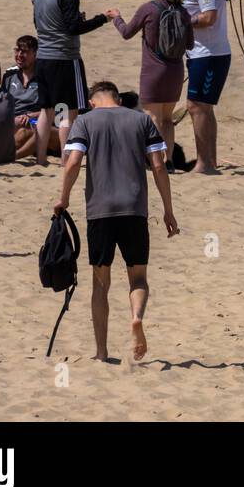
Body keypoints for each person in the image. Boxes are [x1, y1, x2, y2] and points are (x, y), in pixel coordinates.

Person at [56, 81, 179, 362]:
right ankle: (136, 317)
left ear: (92, 101)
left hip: (100, 211)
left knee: (101, 284)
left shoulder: (85, 121)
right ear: (119, 99)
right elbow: (159, 166)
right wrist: (168, 209)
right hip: (134, 209)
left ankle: (101, 352)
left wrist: (63, 198)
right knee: (138, 278)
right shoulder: (141, 120)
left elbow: (73, 162)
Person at [106, 0, 194, 171]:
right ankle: (169, 160)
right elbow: (189, 44)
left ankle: (156, 161)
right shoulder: (182, 11)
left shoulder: (149, 9)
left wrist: (116, 17)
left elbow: (127, 32)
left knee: (152, 117)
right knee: (167, 119)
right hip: (175, 70)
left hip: (153, 71)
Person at [31, 0, 109, 166]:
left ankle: (40, 157)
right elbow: (74, 28)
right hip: (64, 58)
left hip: (43, 57)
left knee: (46, 111)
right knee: (66, 112)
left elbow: (41, 24)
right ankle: (67, 160)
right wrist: (103, 18)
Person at [173, 0, 230, 174]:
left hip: (210, 54)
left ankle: (205, 164)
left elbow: (208, 18)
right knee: (204, 108)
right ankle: (210, 161)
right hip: (201, 53)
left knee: (196, 107)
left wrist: (182, 21)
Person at [1, 35, 60, 161]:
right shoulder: (9, 74)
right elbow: (2, 103)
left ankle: (12, 156)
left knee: (34, 130)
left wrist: (30, 116)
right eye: (17, 50)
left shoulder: (45, 76)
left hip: (37, 122)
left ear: (35, 54)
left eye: (25, 52)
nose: (19, 55)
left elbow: (57, 109)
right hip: (15, 122)